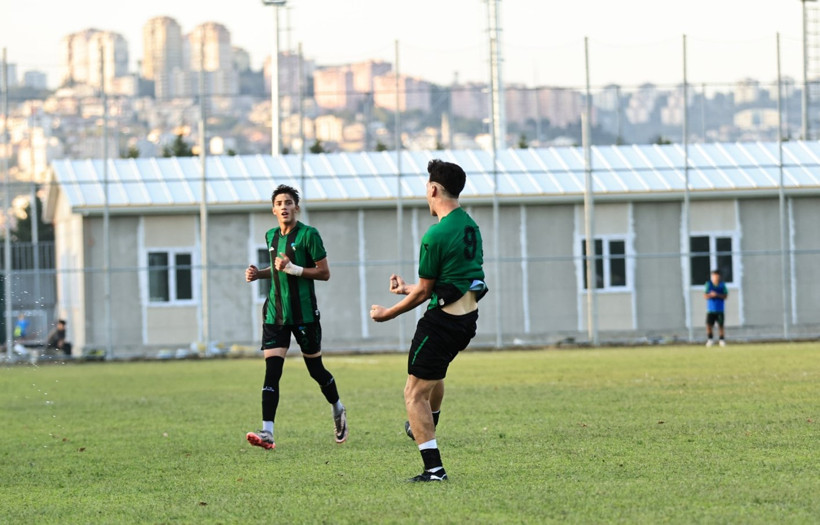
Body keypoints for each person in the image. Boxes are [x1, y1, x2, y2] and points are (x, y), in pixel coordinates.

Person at [370, 159, 488, 482]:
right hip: (467, 321)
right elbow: (449, 281)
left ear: (433, 189)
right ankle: (425, 423)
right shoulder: (470, 227)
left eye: (426, 188)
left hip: (442, 323)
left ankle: (434, 470)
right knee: (433, 376)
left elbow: (425, 294)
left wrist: (386, 314)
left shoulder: (435, 235)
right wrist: (408, 288)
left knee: (413, 393)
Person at [245, 184, 348, 450]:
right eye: (279, 203)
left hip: (304, 314)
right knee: (272, 372)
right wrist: (260, 274)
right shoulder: (270, 235)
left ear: (296, 207)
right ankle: (267, 431)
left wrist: (294, 268)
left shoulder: (309, 235)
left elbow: (324, 273)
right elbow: (278, 270)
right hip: (275, 314)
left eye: (288, 202)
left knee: (316, 370)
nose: (284, 207)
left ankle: (337, 408)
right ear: (273, 210)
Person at [704, 269, 728, 347]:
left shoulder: (722, 285)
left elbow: (725, 296)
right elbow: (705, 295)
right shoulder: (708, 284)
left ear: (719, 276)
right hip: (711, 309)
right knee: (708, 325)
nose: (715, 277)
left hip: (720, 309)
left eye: (717, 276)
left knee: (721, 325)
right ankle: (710, 339)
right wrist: (711, 295)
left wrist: (717, 295)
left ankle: (721, 340)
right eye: (714, 276)